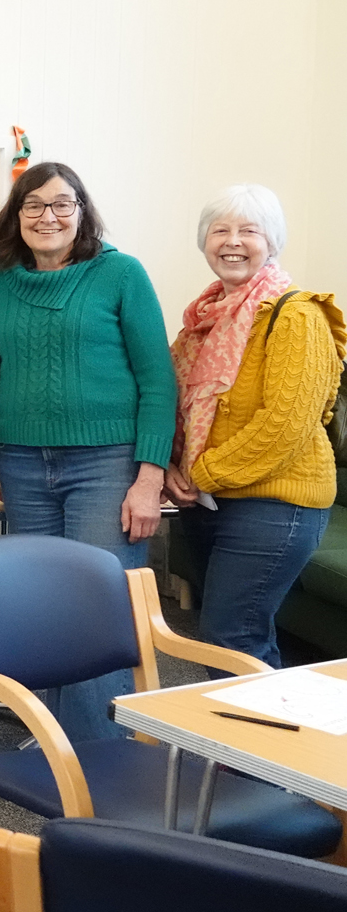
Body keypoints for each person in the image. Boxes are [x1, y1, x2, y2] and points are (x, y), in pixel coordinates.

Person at [0, 161, 176, 742]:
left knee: (98, 606)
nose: (49, 216)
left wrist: (149, 476)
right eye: (33, 205)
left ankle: (100, 753)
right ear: (16, 215)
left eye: (63, 203)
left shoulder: (120, 274)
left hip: (106, 464)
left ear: (83, 211)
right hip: (22, 462)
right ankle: (58, 739)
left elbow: (157, 380)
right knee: (44, 604)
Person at [166, 185, 344, 668]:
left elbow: (284, 427)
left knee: (232, 636)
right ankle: (245, 741)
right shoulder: (200, 323)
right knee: (230, 638)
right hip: (208, 503)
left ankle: (256, 744)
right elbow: (173, 405)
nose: (232, 241)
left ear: (273, 242)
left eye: (249, 230)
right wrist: (168, 467)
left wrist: (199, 475)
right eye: (219, 230)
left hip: (275, 504)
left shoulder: (297, 315)